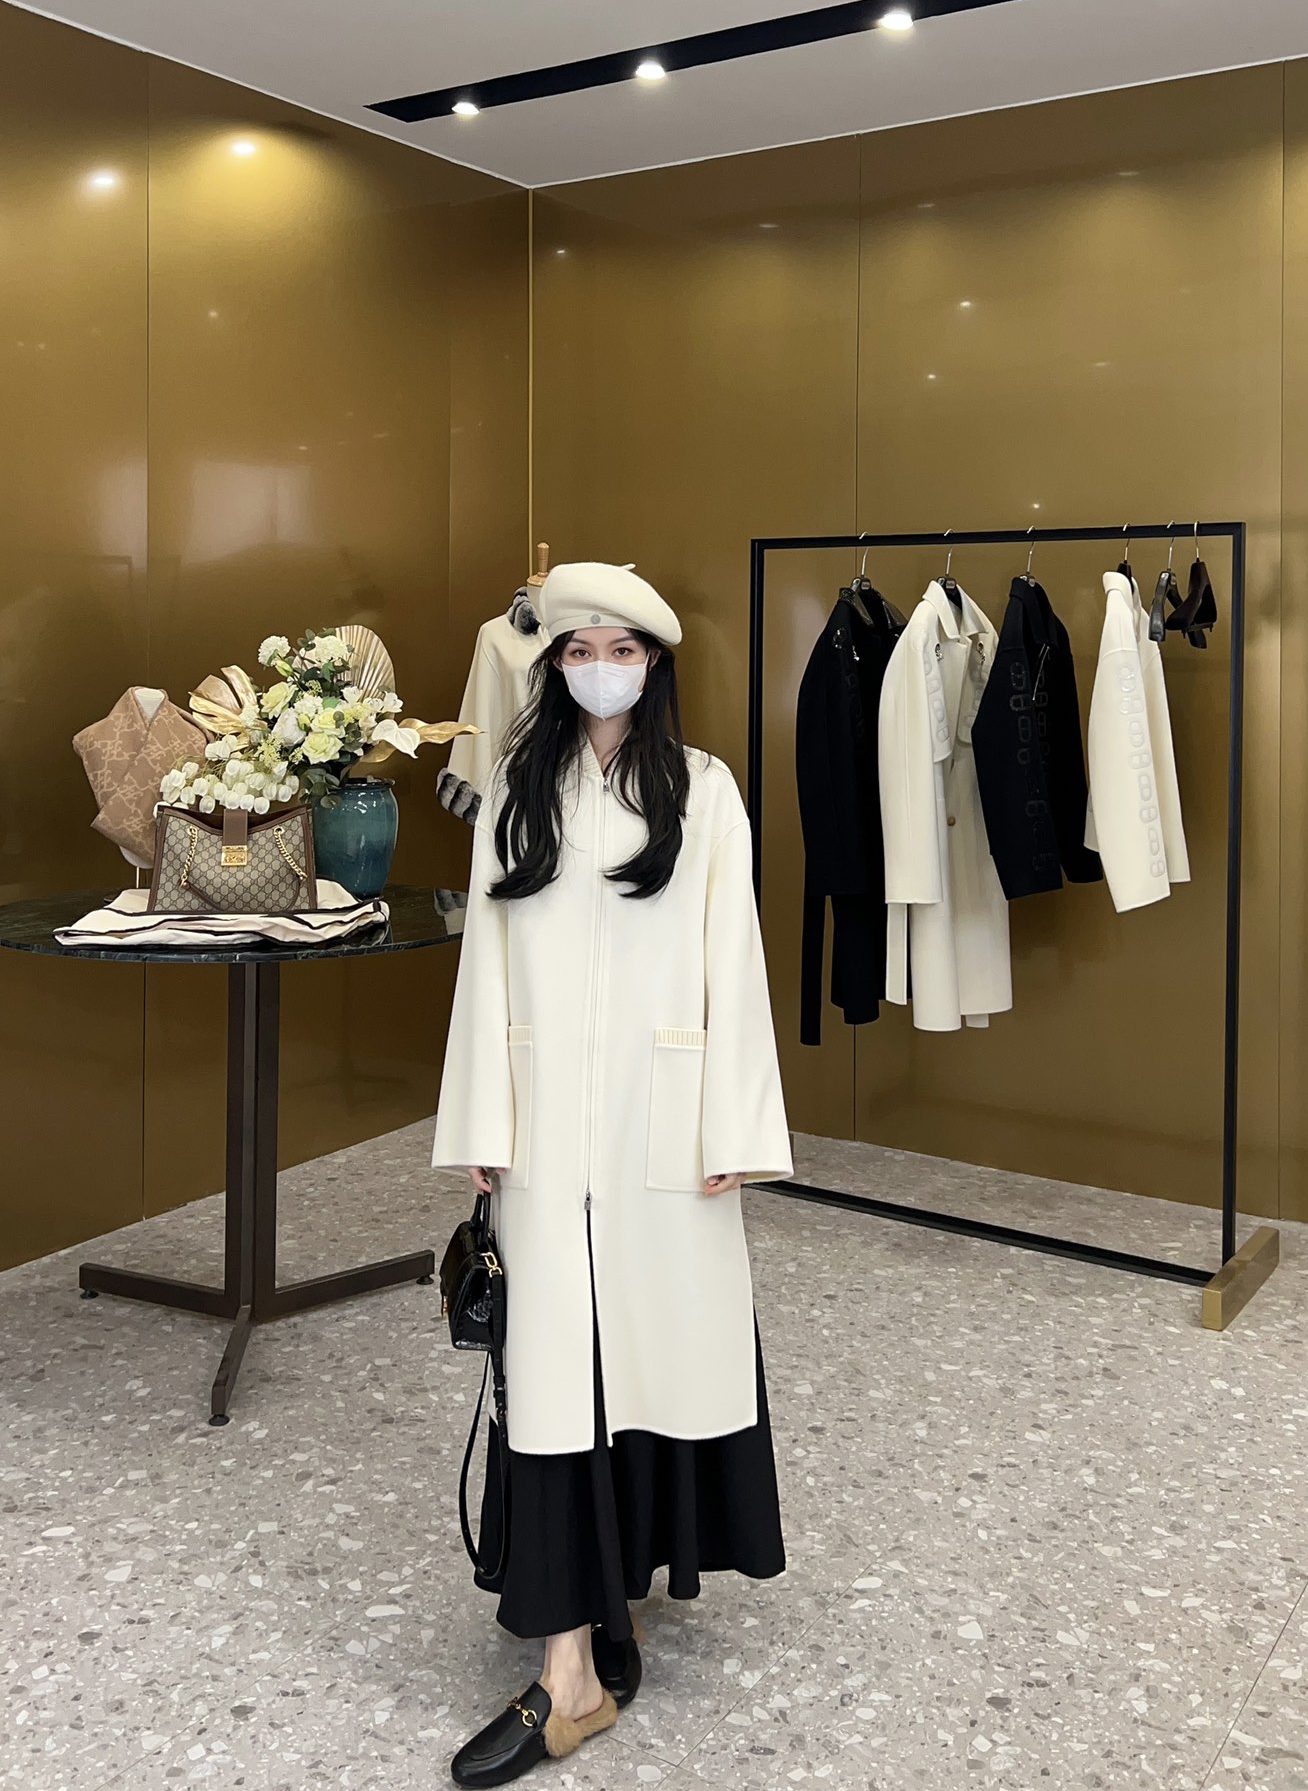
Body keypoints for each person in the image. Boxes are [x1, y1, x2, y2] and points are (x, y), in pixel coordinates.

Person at [432, 560, 793, 1787]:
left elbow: (735, 958)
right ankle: (568, 1675)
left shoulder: (705, 790)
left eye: (621, 648)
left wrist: (734, 1126)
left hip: (665, 1122)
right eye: (578, 649)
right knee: (551, 1379)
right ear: (554, 665)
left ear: (654, 662)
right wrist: (483, 1116)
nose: (599, 667)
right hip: (543, 1129)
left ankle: (612, 1605)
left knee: (645, 1359)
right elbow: (485, 964)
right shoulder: (514, 794)